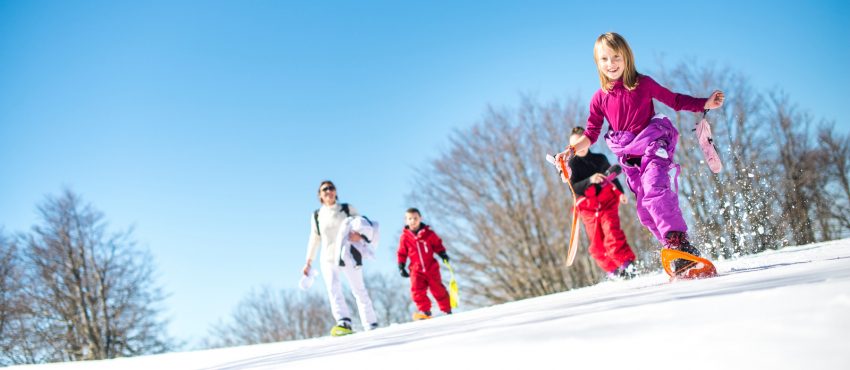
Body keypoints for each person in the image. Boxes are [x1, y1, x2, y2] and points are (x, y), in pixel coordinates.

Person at [557, 32, 725, 278]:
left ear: (626, 57)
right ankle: (675, 251)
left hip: (653, 144)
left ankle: (678, 241)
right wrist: (570, 151)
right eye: (604, 59)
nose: (611, 64)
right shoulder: (599, 99)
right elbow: (591, 133)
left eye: (616, 57)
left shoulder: (642, 84)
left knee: (655, 188)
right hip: (630, 159)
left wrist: (704, 104)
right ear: (598, 63)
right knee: (645, 212)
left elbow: (675, 100)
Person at [302, 180, 378, 336]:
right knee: (333, 289)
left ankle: (370, 322)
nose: (328, 191)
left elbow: (363, 225)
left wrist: (360, 237)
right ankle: (344, 322)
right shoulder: (317, 215)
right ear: (320, 195)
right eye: (325, 189)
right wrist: (308, 261)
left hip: (347, 254)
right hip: (327, 257)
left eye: (331, 188)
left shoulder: (346, 208)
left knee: (358, 288)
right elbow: (314, 238)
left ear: (335, 191)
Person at [567, 126, 636, 278]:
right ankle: (615, 272)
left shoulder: (599, 159)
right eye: (574, 145)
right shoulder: (572, 165)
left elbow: (613, 176)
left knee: (612, 235)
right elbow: (575, 189)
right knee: (597, 246)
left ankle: (627, 265)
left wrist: (620, 193)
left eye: (581, 142)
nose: (578, 147)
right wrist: (590, 180)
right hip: (588, 210)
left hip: (607, 204)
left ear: (587, 142)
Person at [397, 208, 452, 320]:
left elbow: (437, 245)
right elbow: (402, 252)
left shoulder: (429, 233)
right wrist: (401, 266)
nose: (413, 221)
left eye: (415, 218)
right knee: (417, 290)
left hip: (431, 267)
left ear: (420, 218)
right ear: (406, 221)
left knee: (438, 289)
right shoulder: (405, 238)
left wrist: (442, 254)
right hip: (416, 270)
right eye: (410, 219)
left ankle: (447, 310)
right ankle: (425, 311)